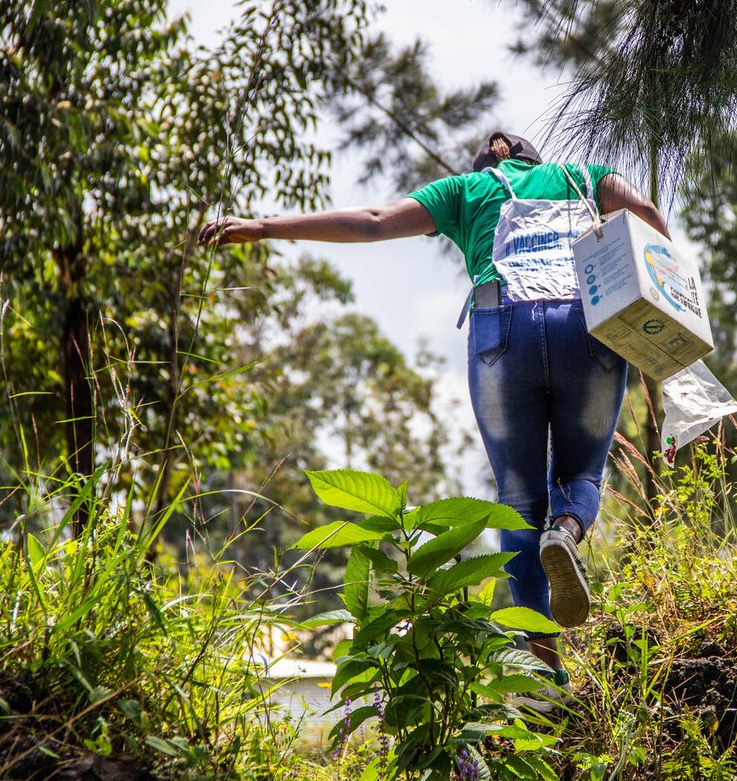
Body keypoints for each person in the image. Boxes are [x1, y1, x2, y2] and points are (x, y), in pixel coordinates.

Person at [199, 131, 670, 708]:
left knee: (519, 503)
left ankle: (545, 680)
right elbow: (645, 212)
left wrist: (264, 227)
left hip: (502, 332)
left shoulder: (464, 191)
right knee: (579, 479)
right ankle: (566, 532)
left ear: (485, 167)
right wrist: (665, 303)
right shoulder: (583, 176)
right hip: (585, 326)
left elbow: (372, 220)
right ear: (532, 161)